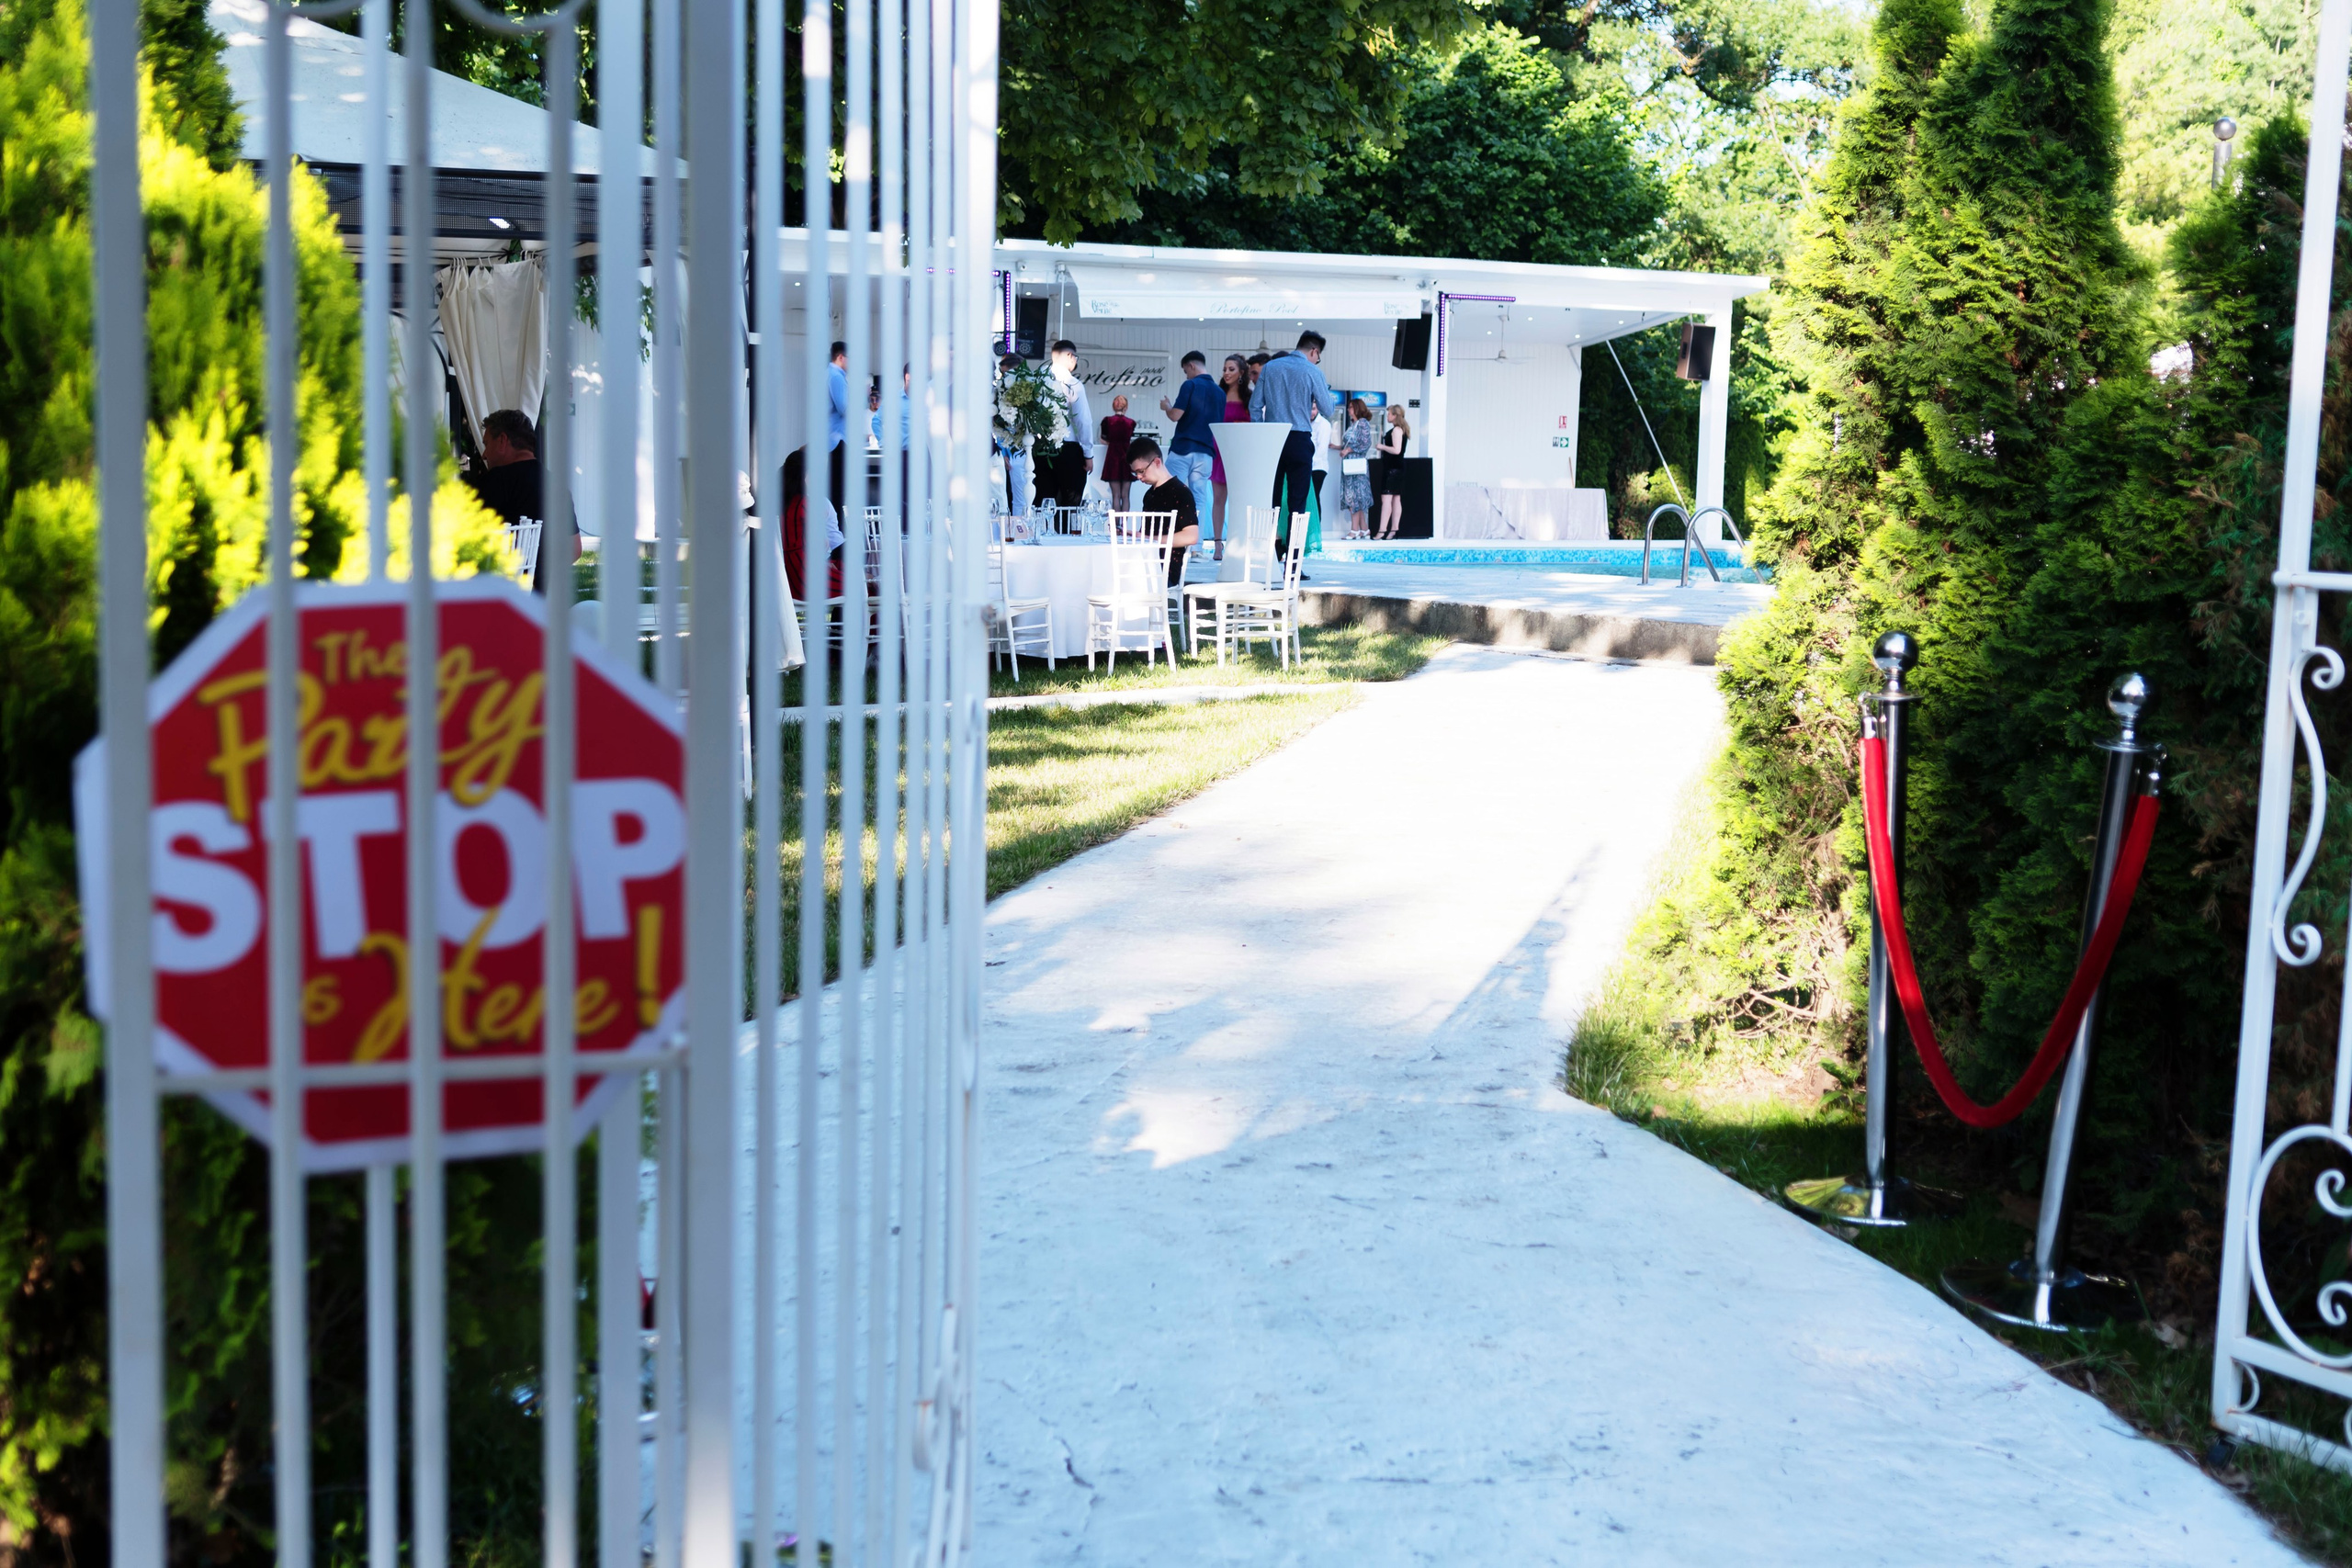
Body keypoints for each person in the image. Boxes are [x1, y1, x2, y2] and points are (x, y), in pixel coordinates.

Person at [1248, 331, 1339, 571]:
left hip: (1273, 438)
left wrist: (1262, 433)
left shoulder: (1271, 368)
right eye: (1318, 356)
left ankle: (1267, 558)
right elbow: (1328, 408)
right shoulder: (1313, 371)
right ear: (1314, 351)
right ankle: (1293, 563)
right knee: (1298, 504)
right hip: (1299, 439)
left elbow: (1255, 406)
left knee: (1272, 501)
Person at [468, 407, 568, 594]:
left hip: (493, 600)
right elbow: (575, 548)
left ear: (503, 441)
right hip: (537, 605)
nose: (484, 454)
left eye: (486, 444)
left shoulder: (494, 482)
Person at [1159, 351, 1222, 555]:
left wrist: (1167, 407)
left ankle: (1171, 542)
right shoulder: (1220, 393)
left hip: (1183, 448)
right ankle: (1196, 547)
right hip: (1206, 452)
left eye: (1185, 370)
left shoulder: (1190, 385)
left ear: (1192, 366)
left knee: (1169, 493)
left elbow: (1176, 416)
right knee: (1200, 498)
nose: (1185, 374)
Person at [1123, 436, 1200, 589]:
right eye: (1135, 473)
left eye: (1141, 471)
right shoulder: (1149, 494)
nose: (1138, 477)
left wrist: (1150, 539)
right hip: (1146, 561)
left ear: (1157, 462)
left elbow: (1191, 536)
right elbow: (1145, 534)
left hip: (1165, 568)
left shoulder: (1181, 493)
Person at [779, 446, 845, 602]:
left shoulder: (782, 502)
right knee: (865, 585)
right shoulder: (806, 505)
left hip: (789, 577)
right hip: (807, 578)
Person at [1046, 339, 1094, 517]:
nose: (1075, 362)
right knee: (1070, 503)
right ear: (1069, 356)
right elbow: (1084, 421)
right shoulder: (1072, 383)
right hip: (1067, 449)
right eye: (1075, 357)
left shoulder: (1038, 381)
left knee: (1043, 502)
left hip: (1040, 449)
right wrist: (1088, 454)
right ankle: (1067, 541)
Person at [1210, 354, 1250, 545]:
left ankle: (1237, 542)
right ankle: (1218, 543)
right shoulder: (1217, 394)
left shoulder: (1250, 397)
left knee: (1238, 500)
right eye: (1225, 369)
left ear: (1242, 372)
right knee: (1218, 499)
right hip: (1219, 450)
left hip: (1241, 453)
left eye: (1231, 369)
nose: (1226, 373)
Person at [1339, 397, 1376, 540]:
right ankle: (1364, 528)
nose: (1348, 410)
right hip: (1350, 464)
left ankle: (1354, 529)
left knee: (1354, 496)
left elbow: (1365, 443)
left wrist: (1347, 450)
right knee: (1356, 497)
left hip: (1356, 465)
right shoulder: (1354, 424)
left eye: (1350, 407)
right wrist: (1338, 447)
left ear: (1356, 408)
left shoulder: (1362, 424)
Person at [1375, 404, 1411, 539]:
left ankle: (1382, 530)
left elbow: (1396, 450)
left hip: (1393, 468)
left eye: (1390, 414)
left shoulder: (1396, 430)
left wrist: (1382, 446)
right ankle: (1394, 530)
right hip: (1398, 467)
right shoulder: (1402, 429)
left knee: (1387, 498)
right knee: (1396, 498)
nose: (1388, 416)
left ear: (1395, 415)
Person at [1100, 394, 1136, 510]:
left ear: (1113, 407)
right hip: (1127, 457)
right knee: (1125, 496)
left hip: (1113, 457)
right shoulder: (1131, 423)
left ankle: (1116, 526)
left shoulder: (1107, 421)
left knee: (1115, 495)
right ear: (1126, 407)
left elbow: (1103, 439)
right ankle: (1125, 525)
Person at [826, 340, 850, 510]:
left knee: (833, 489)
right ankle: (837, 532)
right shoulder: (836, 376)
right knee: (838, 491)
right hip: (837, 440)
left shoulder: (827, 374)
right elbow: (845, 408)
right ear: (841, 357)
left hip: (829, 439)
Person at [1311, 400, 1335, 536]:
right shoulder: (1306, 422)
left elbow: (1321, 449)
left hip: (1318, 467)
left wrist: (1307, 463)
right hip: (1307, 466)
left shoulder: (1324, 425)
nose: (1311, 412)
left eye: (1313, 409)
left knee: (1314, 497)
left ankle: (1316, 529)